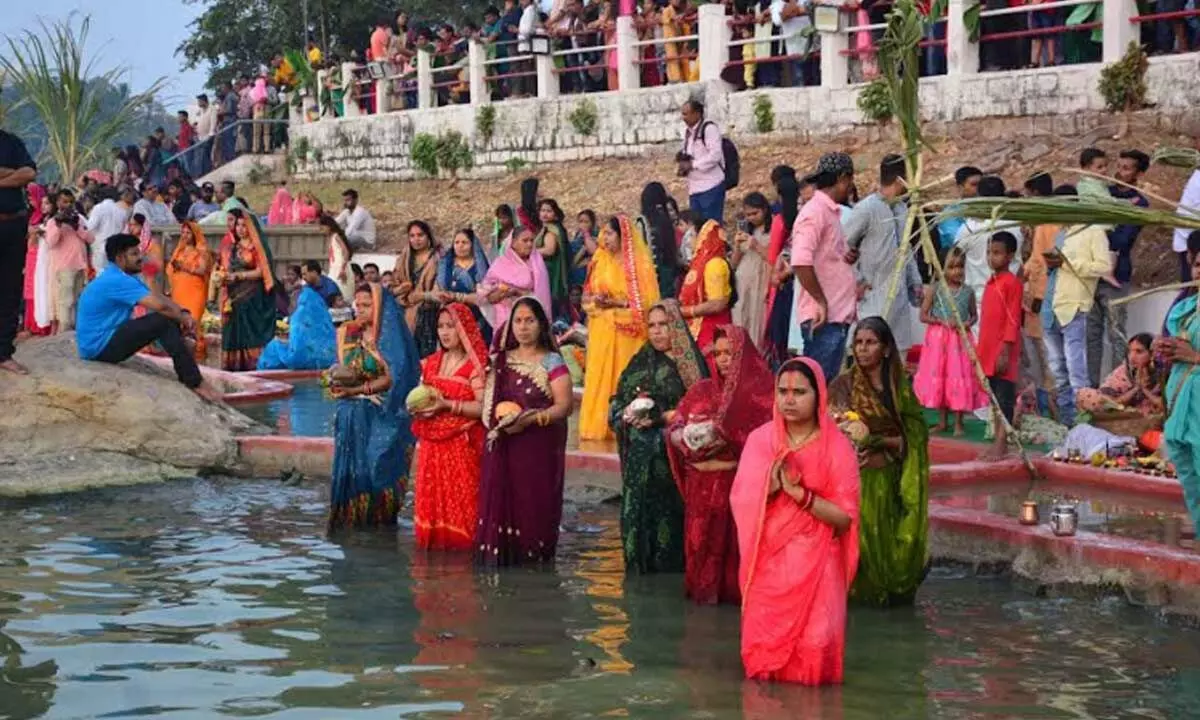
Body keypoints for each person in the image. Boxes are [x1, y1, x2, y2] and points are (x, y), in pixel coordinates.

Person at [729, 357, 859, 685]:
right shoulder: (762, 441)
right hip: (768, 564)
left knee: (814, 649)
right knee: (763, 663)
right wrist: (770, 490)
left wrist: (800, 495)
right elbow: (741, 500)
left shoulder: (837, 447)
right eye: (783, 391)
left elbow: (845, 519)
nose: (789, 399)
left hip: (819, 566)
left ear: (819, 397)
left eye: (799, 392)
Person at [667, 325, 772, 604]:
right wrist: (682, 437)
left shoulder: (759, 395)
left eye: (730, 352)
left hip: (737, 489)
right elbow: (677, 422)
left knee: (736, 558)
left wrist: (724, 435)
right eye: (718, 353)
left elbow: (766, 442)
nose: (723, 359)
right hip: (701, 491)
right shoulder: (701, 391)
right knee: (700, 551)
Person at [828, 317, 928, 606]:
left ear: (885, 349)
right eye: (858, 343)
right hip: (856, 481)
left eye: (870, 343)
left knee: (890, 543)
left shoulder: (898, 386)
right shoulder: (843, 385)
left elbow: (916, 429)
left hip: (891, 478)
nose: (862, 349)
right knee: (860, 548)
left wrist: (885, 443)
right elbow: (832, 427)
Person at [475, 297, 574, 565]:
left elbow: (564, 406)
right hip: (504, 443)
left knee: (533, 503)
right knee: (502, 499)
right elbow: (487, 403)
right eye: (518, 321)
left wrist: (531, 419)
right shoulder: (500, 362)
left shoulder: (552, 361)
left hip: (537, 447)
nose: (523, 327)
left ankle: (535, 561)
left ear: (541, 324)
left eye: (530, 320)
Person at [610, 300, 707, 574]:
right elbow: (616, 403)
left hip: (673, 458)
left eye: (663, 324)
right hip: (639, 461)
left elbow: (702, 407)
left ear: (676, 326)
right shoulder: (640, 361)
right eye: (651, 326)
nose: (656, 332)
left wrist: (661, 416)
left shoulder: (692, 366)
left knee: (671, 525)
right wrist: (625, 415)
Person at [76, 234, 221, 401]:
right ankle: (194, 382)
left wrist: (184, 313)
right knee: (163, 320)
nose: (140, 258)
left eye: (139, 253)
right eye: (134, 254)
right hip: (98, 348)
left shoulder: (122, 276)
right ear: (120, 258)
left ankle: (189, 371)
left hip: (101, 342)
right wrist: (183, 319)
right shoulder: (117, 280)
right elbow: (160, 307)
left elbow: (158, 297)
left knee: (167, 318)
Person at [328, 283, 420, 531]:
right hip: (348, 413)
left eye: (367, 305)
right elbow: (339, 365)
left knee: (374, 466)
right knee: (349, 468)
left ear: (379, 307)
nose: (360, 310)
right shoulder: (346, 333)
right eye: (358, 305)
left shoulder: (387, 339)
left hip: (378, 413)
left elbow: (393, 378)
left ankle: (377, 522)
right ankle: (349, 520)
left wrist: (358, 390)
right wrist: (334, 379)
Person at [411, 303, 489, 550]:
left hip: (462, 446)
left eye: (451, 326)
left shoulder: (475, 368)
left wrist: (447, 405)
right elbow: (417, 397)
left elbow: (483, 409)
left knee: (464, 503)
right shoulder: (429, 364)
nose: (444, 333)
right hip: (432, 448)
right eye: (440, 327)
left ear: (465, 329)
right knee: (432, 504)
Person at [579, 215, 661, 441]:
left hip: (627, 334)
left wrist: (615, 304)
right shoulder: (599, 259)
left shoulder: (637, 264)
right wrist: (596, 301)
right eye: (603, 233)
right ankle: (601, 424)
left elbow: (645, 304)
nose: (604, 239)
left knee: (623, 378)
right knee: (600, 378)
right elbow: (585, 299)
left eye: (609, 233)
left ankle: (626, 423)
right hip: (602, 331)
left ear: (623, 235)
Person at [1040, 190, 1112, 424]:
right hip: (1051, 305)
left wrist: (1068, 263)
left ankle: (1081, 420)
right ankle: (1066, 419)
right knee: (1058, 368)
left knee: (1075, 369)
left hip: (1075, 306)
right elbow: (1057, 270)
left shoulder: (1093, 231)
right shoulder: (1062, 232)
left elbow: (1103, 267)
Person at [844, 153, 922, 352]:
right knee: (870, 351)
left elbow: (906, 249)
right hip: (873, 295)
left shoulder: (903, 209)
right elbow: (842, 246)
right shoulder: (866, 209)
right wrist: (858, 280)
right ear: (900, 180)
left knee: (898, 354)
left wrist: (916, 281)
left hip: (900, 297)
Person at [792, 152, 858, 382]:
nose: (851, 186)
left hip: (835, 314)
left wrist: (845, 257)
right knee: (818, 386)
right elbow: (800, 262)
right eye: (849, 180)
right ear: (841, 178)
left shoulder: (828, 213)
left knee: (826, 386)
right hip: (824, 316)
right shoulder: (814, 213)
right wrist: (820, 300)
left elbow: (823, 256)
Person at [1089, 149, 1150, 386]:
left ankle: (1117, 386)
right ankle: (1092, 387)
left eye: (1127, 168)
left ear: (1139, 173)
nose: (1119, 172)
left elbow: (1123, 240)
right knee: (1091, 336)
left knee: (1116, 335)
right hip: (1092, 274)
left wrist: (1099, 233)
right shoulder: (1104, 193)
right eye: (1119, 165)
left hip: (1117, 274)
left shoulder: (1140, 203)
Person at [913, 246, 986, 435]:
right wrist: (942, 321)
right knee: (941, 378)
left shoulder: (967, 291)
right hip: (939, 341)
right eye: (952, 267)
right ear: (942, 268)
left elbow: (974, 316)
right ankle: (942, 421)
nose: (957, 272)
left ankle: (959, 422)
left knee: (958, 376)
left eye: (960, 267)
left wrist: (966, 323)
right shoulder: (936, 289)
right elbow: (923, 315)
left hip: (959, 342)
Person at [1157, 250, 1200, 535]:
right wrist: (1162, 350)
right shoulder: (1184, 308)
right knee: (1191, 480)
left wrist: (1195, 356)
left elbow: (1191, 354)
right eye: (1198, 265)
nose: (1199, 272)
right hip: (1181, 405)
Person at [975, 232, 1023, 456]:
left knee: (1004, 397)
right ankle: (997, 440)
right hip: (987, 347)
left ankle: (1002, 443)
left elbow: (1013, 319)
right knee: (993, 397)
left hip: (1003, 349)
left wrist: (1005, 349)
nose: (991, 257)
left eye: (997, 253)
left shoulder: (1011, 283)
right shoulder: (991, 281)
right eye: (989, 253)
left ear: (1010, 256)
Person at [216, 209, 277, 370]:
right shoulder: (233, 247)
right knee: (233, 331)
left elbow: (261, 271)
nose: (240, 229)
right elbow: (225, 267)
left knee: (250, 332)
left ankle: (253, 366)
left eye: (244, 225)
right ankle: (234, 367)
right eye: (238, 225)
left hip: (252, 298)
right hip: (233, 297)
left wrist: (239, 276)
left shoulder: (257, 248)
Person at [478, 228, 553, 336]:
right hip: (503, 317)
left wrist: (517, 292)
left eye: (532, 241)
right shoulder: (500, 263)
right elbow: (487, 294)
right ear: (513, 243)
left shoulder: (537, 265)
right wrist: (499, 293)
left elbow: (541, 295)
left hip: (528, 316)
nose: (529, 244)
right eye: (525, 240)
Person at [678, 219, 733, 354]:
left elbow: (718, 304)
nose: (688, 241)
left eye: (692, 236)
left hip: (711, 328)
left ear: (703, 236)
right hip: (699, 327)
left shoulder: (715, 264)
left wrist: (687, 311)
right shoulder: (701, 263)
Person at [1076, 333, 1164, 415]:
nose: (1132, 357)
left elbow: (1164, 405)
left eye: (1139, 351)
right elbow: (1109, 401)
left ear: (1152, 354)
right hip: (1122, 410)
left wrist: (1145, 390)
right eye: (1130, 351)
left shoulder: (1162, 372)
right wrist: (1136, 388)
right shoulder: (1123, 371)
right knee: (1084, 394)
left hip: (1149, 412)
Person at [44, 189, 94, 332]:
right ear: (58, 203)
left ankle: (77, 331)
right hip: (65, 267)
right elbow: (51, 243)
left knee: (78, 300)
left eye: (70, 202)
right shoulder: (53, 221)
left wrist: (77, 227)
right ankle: (63, 333)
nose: (68, 205)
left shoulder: (78, 218)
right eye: (64, 202)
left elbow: (91, 239)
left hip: (80, 265)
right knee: (66, 302)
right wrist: (59, 225)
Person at [257, 284, 337, 370]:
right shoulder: (322, 312)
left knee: (273, 348)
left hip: (301, 360)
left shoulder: (300, 314)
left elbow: (298, 352)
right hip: (328, 359)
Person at [764, 173, 799, 367]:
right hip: (797, 281)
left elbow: (773, 255)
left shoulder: (780, 220)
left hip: (782, 279)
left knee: (778, 329)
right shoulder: (800, 217)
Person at [392, 220, 442, 358]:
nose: (416, 239)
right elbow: (392, 287)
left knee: (426, 358)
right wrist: (401, 289)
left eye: (420, 235)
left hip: (430, 315)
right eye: (412, 236)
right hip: (405, 312)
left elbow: (442, 290)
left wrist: (422, 296)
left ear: (428, 236)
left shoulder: (438, 259)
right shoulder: (403, 259)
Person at [165, 221, 213, 362]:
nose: (185, 236)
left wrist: (184, 266)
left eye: (188, 233)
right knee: (179, 322)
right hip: (179, 292)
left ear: (194, 234)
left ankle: (198, 358)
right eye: (183, 232)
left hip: (195, 292)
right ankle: (181, 357)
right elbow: (170, 269)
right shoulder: (179, 250)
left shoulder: (201, 250)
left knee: (193, 322)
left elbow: (203, 270)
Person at [435, 228, 493, 344]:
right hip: (452, 319)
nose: (460, 246)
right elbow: (438, 290)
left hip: (478, 317)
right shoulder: (446, 265)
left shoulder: (480, 267)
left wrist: (457, 296)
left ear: (473, 245)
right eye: (457, 242)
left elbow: (485, 295)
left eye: (464, 242)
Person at [731, 193, 772, 348]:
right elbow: (734, 264)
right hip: (743, 283)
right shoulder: (747, 231)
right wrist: (737, 246)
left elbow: (773, 258)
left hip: (761, 281)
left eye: (755, 213)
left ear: (765, 210)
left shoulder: (773, 229)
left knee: (757, 321)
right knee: (741, 318)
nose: (752, 218)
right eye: (748, 215)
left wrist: (756, 245)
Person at [678, 99, 726, 224]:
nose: (683, 118)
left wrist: (693, 165)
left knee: (711, 227)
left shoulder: (709, 129)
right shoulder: (688, 133)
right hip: (694, 188)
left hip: (710, 186)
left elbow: (715, 155)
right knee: (697, 228)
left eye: (686, 114)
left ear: (697, 114)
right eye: (682, 114)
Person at [640, 182, 681, 300]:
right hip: (664, 275)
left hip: (644, 277)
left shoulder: (639, 222)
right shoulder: (663, 221)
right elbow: (670, 253)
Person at [534, 199, 571, 318]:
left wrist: (531, 252)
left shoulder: (551, 231)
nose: (544, 214)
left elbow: (550, 250)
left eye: (549, 211)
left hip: (551, 272)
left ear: (555, 214)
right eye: (542, 210)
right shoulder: (549, 228)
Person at [86, 186, 133, 273]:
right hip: (116, 246)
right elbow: (124, 229)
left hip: (101, 246)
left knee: (100, 273)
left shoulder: (98, 208)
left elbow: (90, 226)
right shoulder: (122, 211)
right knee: (114, 272)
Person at [936, 166, 982, 251]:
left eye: (981, 184)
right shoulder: (950, 213)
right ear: (960, 187)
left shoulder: (987, 208)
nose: (979, 188)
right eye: (974, 184)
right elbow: (957, 241)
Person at [319, 214, 355, 302]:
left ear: (329, 226)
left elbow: (346, 252)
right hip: (334, 269)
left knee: (343, 292)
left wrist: (343, 269)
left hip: (341, 268)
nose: (321, 230)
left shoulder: (336, 236)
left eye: (323, 228)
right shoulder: (331, 238)